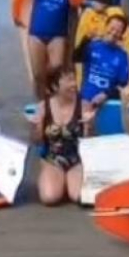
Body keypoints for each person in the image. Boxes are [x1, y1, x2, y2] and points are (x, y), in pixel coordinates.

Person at [12, 0, 81, 100]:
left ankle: (54, 100)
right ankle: (40, 103)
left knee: (57, 68)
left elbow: (76, 2)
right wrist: (16, 14)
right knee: (37, 74)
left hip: (58, 35)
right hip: (36, 34)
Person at [31, 65, 85, 206]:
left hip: (76, 160)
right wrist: (37, 126)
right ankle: (54, 179)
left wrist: (89, 126)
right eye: (68, 81)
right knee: (50, 198)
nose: (73, 84)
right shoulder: (44, 107)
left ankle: (69, 181)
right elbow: (36, 142)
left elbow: (91, 142)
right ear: (55, 86)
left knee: (79, 197)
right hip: (52, 159)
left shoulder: (83, 105)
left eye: (74, 79)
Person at [78, 13, 129, 131]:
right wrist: (86, 39)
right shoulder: (93, 46)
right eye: (111, 28)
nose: (113, 33)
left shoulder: (122, 55)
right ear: (106, 27)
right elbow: (76, 58)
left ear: (121, 35)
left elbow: (122, 83)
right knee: (86, 131)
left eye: (118, 31)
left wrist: (106, 95)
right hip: (86, 99)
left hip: (107, 102)